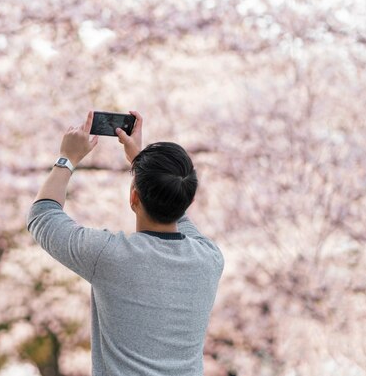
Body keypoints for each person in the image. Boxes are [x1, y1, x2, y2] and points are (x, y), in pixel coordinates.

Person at [27, 111, 224, 376]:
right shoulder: (210, 259)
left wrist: (68, 158)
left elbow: (43, 216)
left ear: (133, 198)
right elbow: (178, 210)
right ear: (188, 201)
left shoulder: (109, 256)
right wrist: (141, 165)